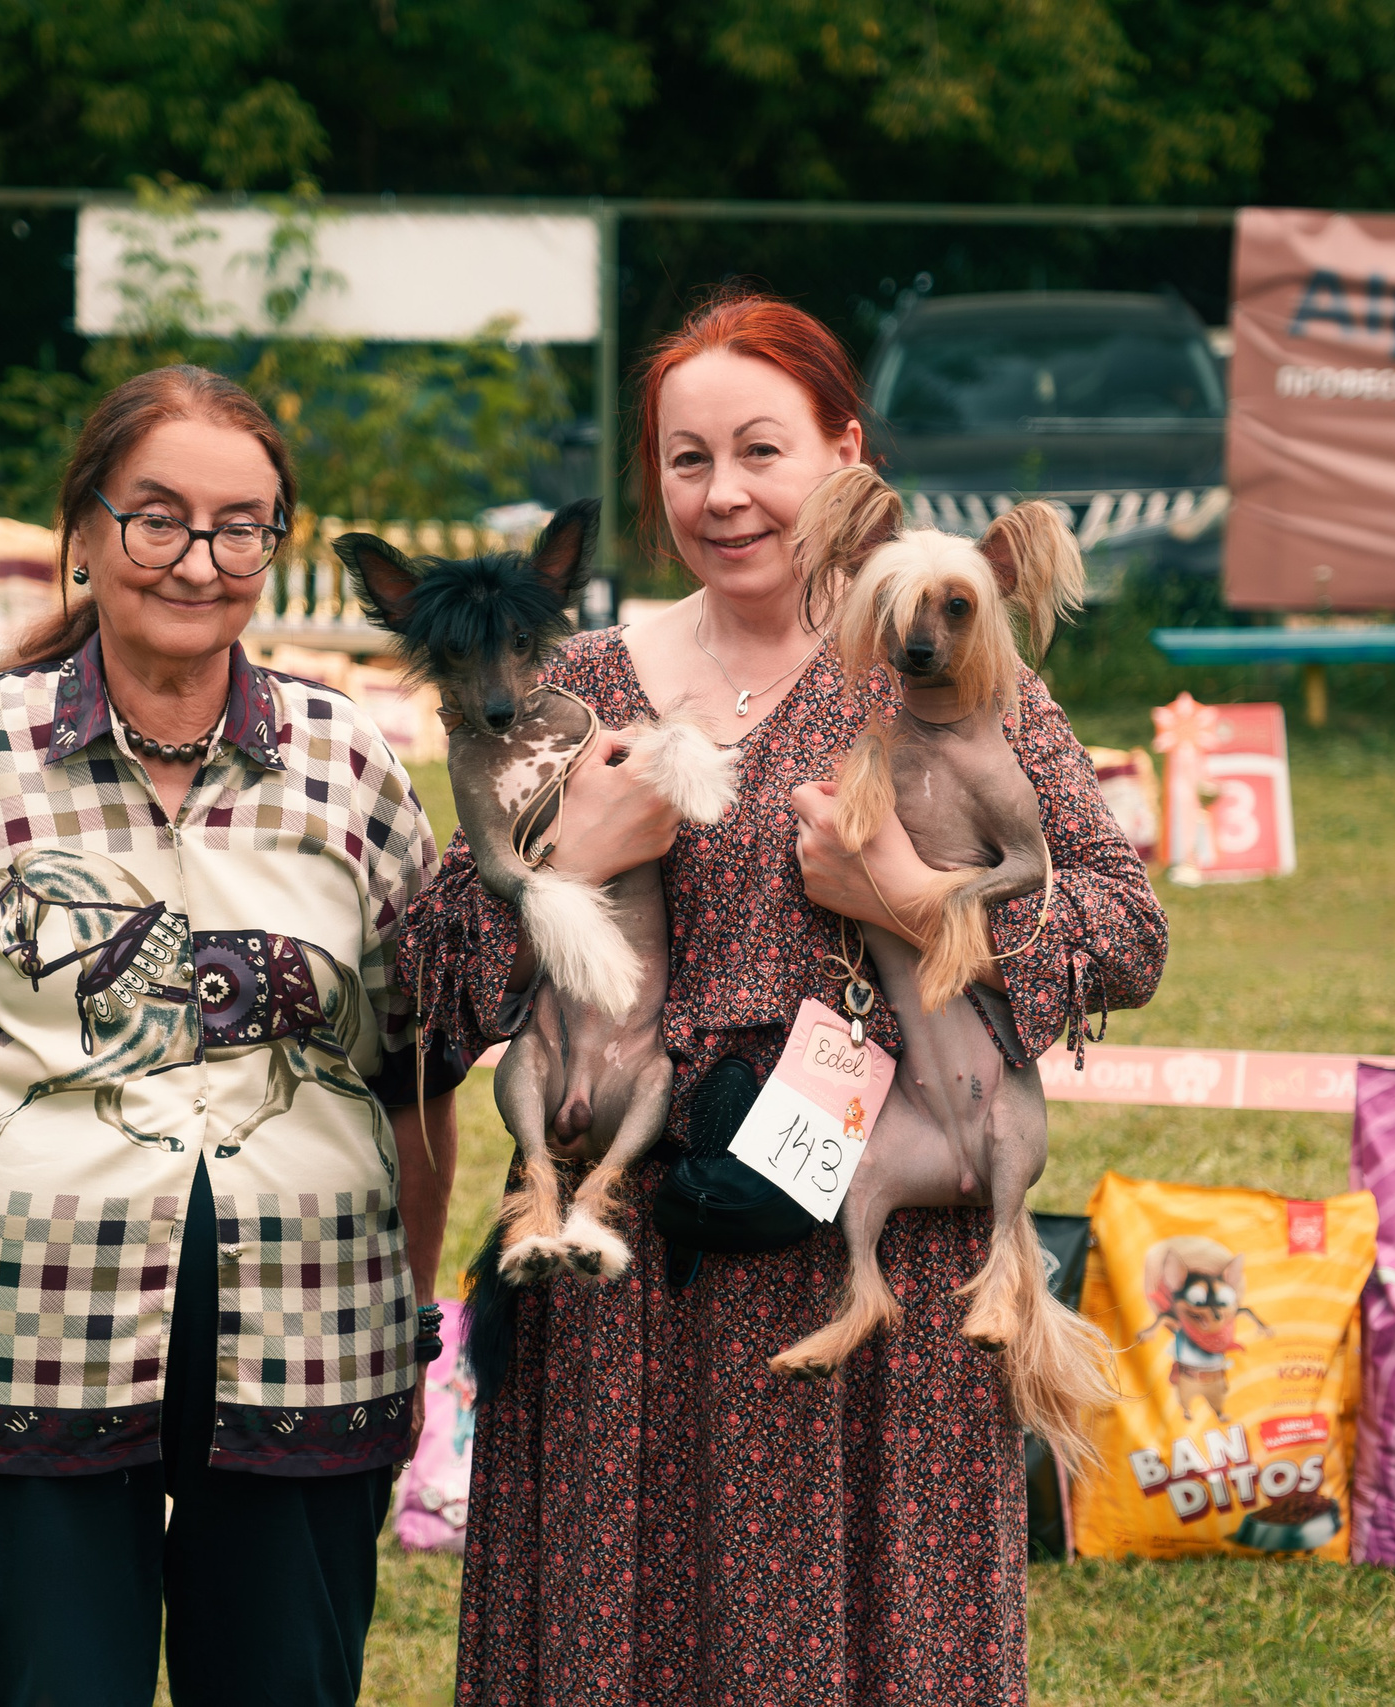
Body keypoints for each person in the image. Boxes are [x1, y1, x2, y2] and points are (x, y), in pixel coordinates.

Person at [401, 289, 1168, 1707]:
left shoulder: (948, 663)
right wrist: (570, 855)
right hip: (622, 1265)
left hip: (873, 1276)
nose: (726, 493)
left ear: (845, 454)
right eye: (687, 459)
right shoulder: (571, 684)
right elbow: (440, 976)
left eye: (763, 449)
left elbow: (1125, 935)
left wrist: (915, 901)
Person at [0, 364, 463, 1707]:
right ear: (89, 530)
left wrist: (401, 1298)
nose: (199, 558)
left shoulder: (356, 767)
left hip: (313, 1341)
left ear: (275, 545)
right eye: (158, 517)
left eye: (241, 524)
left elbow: (415, 1078)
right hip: (21, 1334)